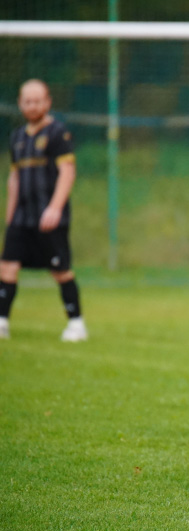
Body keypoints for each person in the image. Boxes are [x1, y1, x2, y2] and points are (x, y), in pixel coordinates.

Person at [1, 79, 87, 342]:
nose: (32, 106)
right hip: (22, 217)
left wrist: (55, 208)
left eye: (37, 101)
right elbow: (14, 180)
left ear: (47, 102)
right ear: (20, 103)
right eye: (27, 101)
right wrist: (9, 217)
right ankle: (2, 321)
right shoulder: (17, 138)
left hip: (48, 216)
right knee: (6, 267)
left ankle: (76, 323)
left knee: (60, 270)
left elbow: (67, 172)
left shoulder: (57, 133)